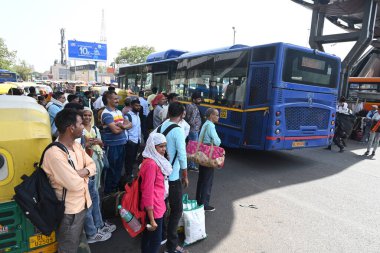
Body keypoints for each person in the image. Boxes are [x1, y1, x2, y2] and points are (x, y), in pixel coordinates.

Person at [42, 108, 96, 253]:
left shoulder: (76, 146)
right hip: (70, 213)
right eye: (80, 124)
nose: (83, 127)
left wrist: (82, 172)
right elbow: (75, 185)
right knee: (68, 248)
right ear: (71, 128)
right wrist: (86, 174)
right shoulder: (54, 154)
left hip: (82, 205)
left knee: (79, 243)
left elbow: (93, 165)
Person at [82, 107, 116, 243]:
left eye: (89, 115)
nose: (87, 118)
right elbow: (80, 146)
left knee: (95, 194)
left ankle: (98, 224)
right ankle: (93, 230)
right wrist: (87, 143)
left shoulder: (94, 129)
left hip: (96, 163)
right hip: (87, 166)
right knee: (90, 197)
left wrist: (97, 142)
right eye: (84, 115)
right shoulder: (79, 132)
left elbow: (102, 143)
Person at [159, 102, 189, 253]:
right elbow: (182, 155)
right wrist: (185, 174)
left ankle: (161, 235)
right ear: (182, 114)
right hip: (172, 177)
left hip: (160, 176)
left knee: (162, 208)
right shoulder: (178, 130)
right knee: (177, 210)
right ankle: (171, 246)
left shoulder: (161, 126)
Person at [140, 133, 172, 253]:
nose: (164, 149)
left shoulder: (155, 160)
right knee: (155, 240)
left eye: (165, 146)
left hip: (158, 205)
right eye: (160, 146)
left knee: (148, 236)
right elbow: (147, 192)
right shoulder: (151, 164)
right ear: (153, 146)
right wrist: (152, 218)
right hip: (154, 209)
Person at [101, 91, 128, 194]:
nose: (118, 100)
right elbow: (115, 131)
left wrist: (122, 126)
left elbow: (129, 124)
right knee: (110, 170)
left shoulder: (118, 111)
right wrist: (124, 127)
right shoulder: (106, 113)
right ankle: (108, 193)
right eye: (115, 99)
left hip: (121, 144)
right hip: (111, 146)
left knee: (118, 169)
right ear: (108, 100)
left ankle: (115, 192)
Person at [195, 108, 221, 212]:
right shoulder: (210, 126)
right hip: (208, 155)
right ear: (211, 116)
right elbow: (217, 141)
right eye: (216, 115)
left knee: (202, 178)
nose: (218, 117)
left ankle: (199, 200)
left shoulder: (205, 124)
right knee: (207, 180)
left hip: (202, 153)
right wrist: (218, 141)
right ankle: (204, 204)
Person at [124, 99, 142, 182]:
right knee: (129, 159)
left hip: (137, 140)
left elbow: (138, 128)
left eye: (139, 106)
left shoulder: (138, 115)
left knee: (133, 159)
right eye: (136, 105)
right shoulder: (128, 116)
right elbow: (125, 129)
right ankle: (128, 175)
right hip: (131, 141)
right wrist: (128, 140)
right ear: (131, 106)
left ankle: (130, 173)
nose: (138, 107)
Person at [185, 92, 202, 171]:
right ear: (194, 99)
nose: (200, 100)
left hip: (190, 130)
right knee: (194, 148)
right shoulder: (194, 108)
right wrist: (196, 125)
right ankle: (191, 165)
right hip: (194, 130)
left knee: (191, 146)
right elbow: (191, 120)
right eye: (198, 99)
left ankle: (189, 163)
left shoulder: (189, 105)